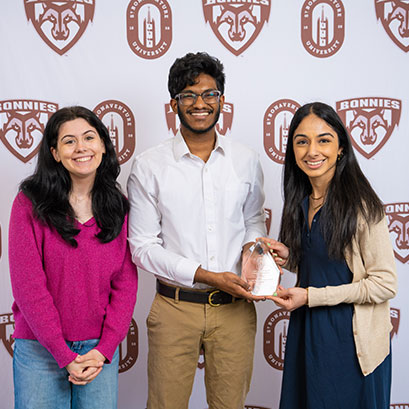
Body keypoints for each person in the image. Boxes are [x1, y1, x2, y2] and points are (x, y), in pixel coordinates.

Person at [127, 52, 266, 409]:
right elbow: (142, 247)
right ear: (174, 103)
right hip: (175, 309)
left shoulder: (247, 160)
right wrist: (205, 275)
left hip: (235, 309)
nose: (200, 103)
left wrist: (254, 257)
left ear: (222, 100)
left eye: (209, 94)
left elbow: (253, 221)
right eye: (189, 95)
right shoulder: (148, 166)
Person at [261, 102, 397, 409]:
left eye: (324, 140)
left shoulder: (362, 207)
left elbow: (385, 284)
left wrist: (311, 297)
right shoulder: (301, 202)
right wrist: (289, 256)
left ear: (340, 149)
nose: (312, 151)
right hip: (308, 336)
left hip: (350, 342)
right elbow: (323, 262)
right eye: (302, 141)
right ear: (292, 151)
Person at [9, 106, 138, 409]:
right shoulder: (29, 203)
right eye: (69, 141)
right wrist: (62, 353)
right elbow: (29, 287)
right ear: (54, 152)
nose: (81, 148)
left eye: (89, 138)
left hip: (97, 353)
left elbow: (125, 284)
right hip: (40, 350)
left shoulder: (118, 206)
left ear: (103, 146)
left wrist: (105, 349)